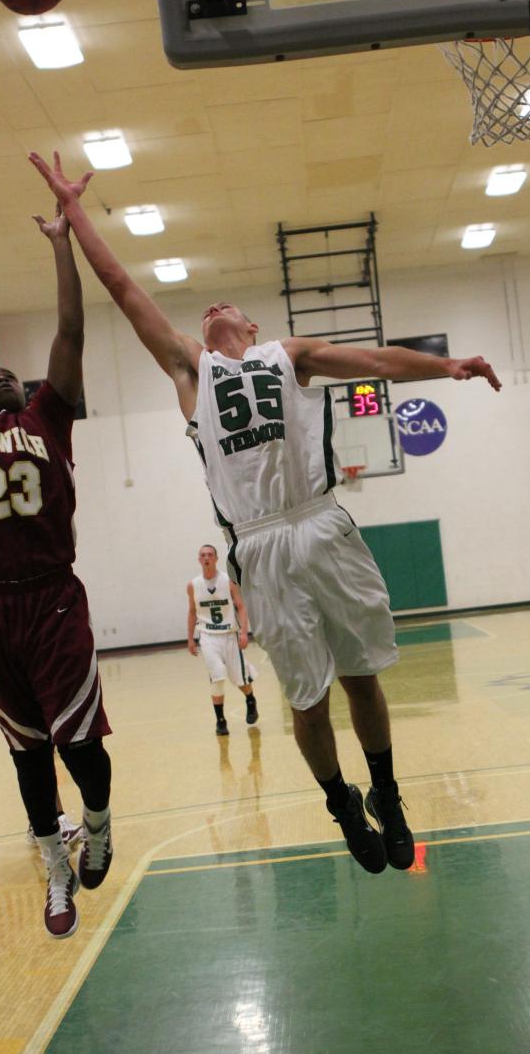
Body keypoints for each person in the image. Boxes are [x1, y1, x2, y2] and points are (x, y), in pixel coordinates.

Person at [30, 151, 502, 875]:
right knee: (307, 702)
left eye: (228, 307)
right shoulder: (193, 368)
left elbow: (375, 361)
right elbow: (122, 286)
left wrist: (446, 368)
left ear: (250, 327)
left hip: (320, 520)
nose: (214, 307)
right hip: (260, 543)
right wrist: (76, 211)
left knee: (363, 678)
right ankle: (342, 802)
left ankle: (387, 791)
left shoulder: (291, 356)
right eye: (206, 308)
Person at [0, 182, 113, 939]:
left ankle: (97, 825)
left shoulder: (50, 416)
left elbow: (70, 330)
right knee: (29, 757)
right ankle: (54, 865)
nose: (1, 371)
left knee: (80, 742)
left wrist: (63, 244)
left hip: (52, 595)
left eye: (12, 372)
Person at [0, 622, 83, 851]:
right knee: (35, 755)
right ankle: (54, 821)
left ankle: (42, 821)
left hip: (35, 676)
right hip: (7, 686)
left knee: (42, 752)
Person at [188, 542, 259, 736]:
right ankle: (221, 721)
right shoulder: (193, 585)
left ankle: (250, 700)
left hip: (230, 635)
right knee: (217, 677)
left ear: (216, 558)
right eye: (202, 555)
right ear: (199, 559)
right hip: (208, 637)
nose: (206, 558)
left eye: (210, 554)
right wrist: (190, 639)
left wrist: (244, 632)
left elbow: (241, 607)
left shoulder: (228, 581)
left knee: (239, 679)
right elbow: (192, 612)